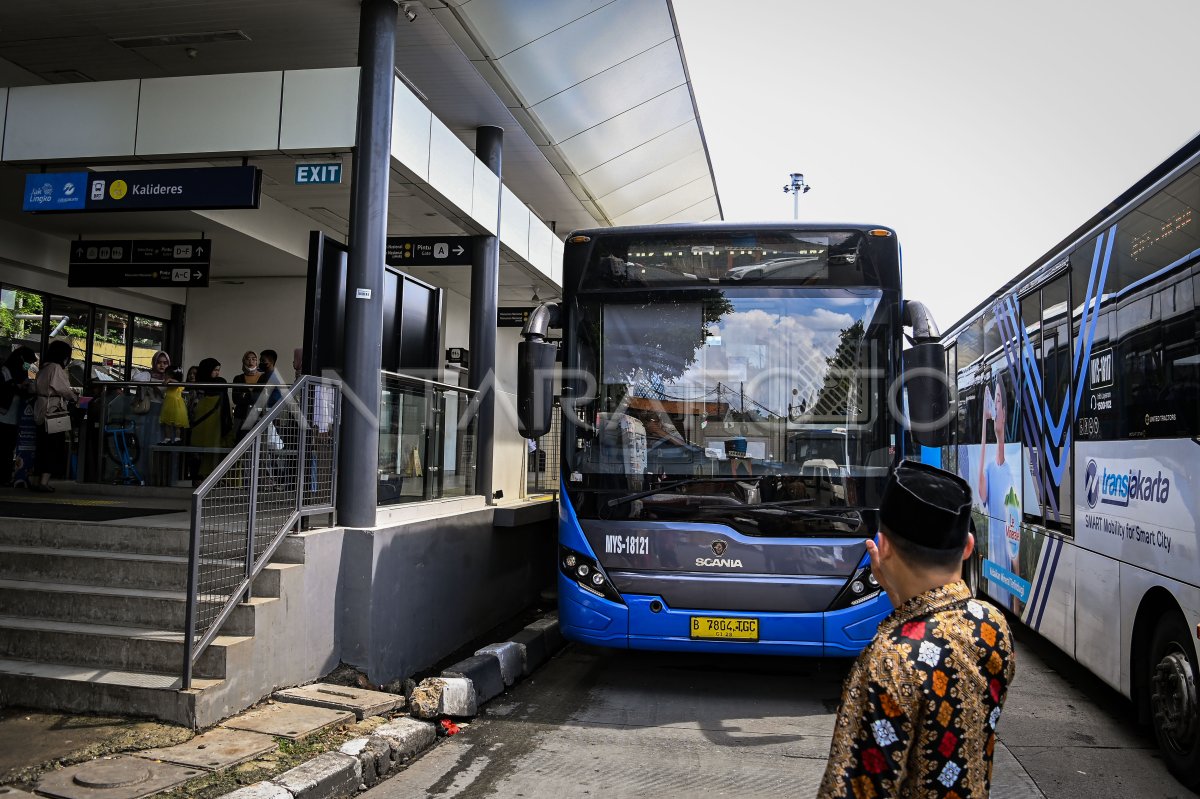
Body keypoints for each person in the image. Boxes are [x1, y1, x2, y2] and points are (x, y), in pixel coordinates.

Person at [818, 460, 1016, 799]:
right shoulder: (992, 625)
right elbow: (931, 627)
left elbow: (854, 788)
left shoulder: (888, 661)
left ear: (884, 545)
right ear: (967, 547)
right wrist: (899, 597)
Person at [977, 376, 1020, 612]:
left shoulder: (1010, 472)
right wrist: (984, 423)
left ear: (1004, 412)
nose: (995, 405)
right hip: (994, 561)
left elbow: (1015, 542)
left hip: (1004, 564)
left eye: (999, 400)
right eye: (993, 400)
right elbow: (981, 486)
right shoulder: (991, 468)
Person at [31, 340, 80, 493]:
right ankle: (44, 482)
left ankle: (37, 479)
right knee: (53, 447)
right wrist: (75, 397)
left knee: (42, 446)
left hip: (40, 409)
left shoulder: (44, 368)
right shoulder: (56, 368)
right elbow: (63, 389)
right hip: (53, 411)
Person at [189, 358, 232, 484]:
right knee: (199, 458)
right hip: (201, 429)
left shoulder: (219, 385)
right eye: (214, 370)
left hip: (212, 429)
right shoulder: (197, 387)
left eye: (218, 370)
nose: (217, 373)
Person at [0, 345, 37, 486]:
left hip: (15, 416)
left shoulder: (22, 370)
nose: (29, 365)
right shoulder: (5, 371)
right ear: (21, 358)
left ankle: (5, 476)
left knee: (9, 448)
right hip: (4, 415)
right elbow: (6, 388)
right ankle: (3, 477)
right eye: (28, 361)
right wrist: (19, 387)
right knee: (4, 447)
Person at [231, 351, 262, 438]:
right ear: (243, 361)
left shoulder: (262, 377)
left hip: (258, 416)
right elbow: (236, 399)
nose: (251, 362)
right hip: (241, 416)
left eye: (254, 359)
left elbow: (264, 398)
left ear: (257, 362)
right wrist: (253, 397)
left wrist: (245, 396)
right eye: (248, 359)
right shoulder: (238, 378)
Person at [159, 368, 189, 443]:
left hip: (177, 405)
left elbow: (177, 383)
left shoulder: (177, 384)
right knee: (167, 423)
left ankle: (177, 438)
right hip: (168, 405)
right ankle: (167, 438)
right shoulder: (168, 384)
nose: (165, 376)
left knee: (177, 424)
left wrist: (170, 380)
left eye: (166, 374)